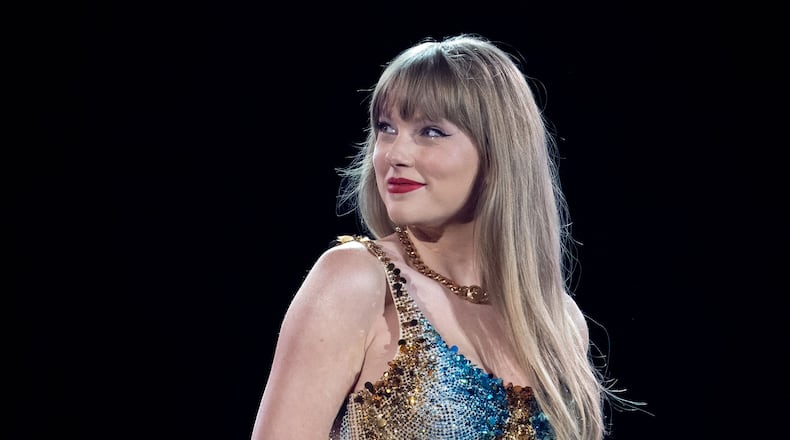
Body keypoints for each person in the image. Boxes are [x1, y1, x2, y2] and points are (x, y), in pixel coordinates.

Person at [251, 33, 639, 440]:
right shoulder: (356, 281)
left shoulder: (557, 321)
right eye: (386, 128)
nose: (394, 154)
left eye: (431, 132)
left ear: (498, 152)